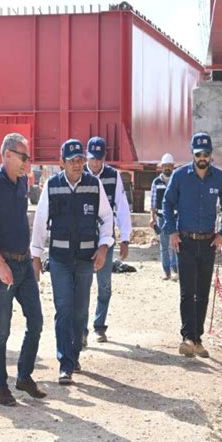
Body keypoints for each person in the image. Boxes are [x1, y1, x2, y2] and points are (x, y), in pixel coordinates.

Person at [31, 139, 114, 384]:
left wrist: (103, 247)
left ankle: (74, 355)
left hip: (86, 260)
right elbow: (40, 222)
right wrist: (36, 255)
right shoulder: (52, 186)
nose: (77, 165)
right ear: (62, 163)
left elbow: (108, 218)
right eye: (72, 161)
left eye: (80, 160)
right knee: (64, 309)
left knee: (79, 313)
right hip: (60, 260)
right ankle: (65, 363)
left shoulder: (94, 184)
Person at [0, 133, 46, 406]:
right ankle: (0, 386)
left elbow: (21, 222)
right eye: (23, 157)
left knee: (36, 321)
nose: (26, 163)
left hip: (23, 264)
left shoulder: (21, 183)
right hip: (4, 266)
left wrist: (33, 257)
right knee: (2, 329)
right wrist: (0, 263)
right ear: (7, 155)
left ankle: (24, 376)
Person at [163, 132, 222, 358]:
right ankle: (187, 337)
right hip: (186, 243)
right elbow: (168, 202)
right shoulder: (180, 176)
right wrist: (172, 231)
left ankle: (198, 338)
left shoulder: (219, 179)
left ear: (211, 155)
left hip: (209, 243)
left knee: (202, 293)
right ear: (193, 154)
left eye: (206, 154)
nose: (202, 157)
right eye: (198, 154)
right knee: (187, 292)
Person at [83, 136, 132, 344]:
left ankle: (99, 325)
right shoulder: (79, 172)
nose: (94, 164)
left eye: (98, 159)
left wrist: (125, 237)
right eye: (92, 159)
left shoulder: (113, 176)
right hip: (83, 236)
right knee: (82, 283)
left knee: (104, 284)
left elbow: (121, 206)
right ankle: (81, 328)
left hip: (105, 236)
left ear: (104, 158)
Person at [150, 153, 178, 281]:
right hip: (161, 218)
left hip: (176, 217)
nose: (167, 168)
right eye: (165, 165)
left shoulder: (177, 181)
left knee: (176, 244)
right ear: (161, 167)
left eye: (170, 166)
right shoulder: (156, 182)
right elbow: (153, 202)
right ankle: (167, 271)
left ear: (173, 167)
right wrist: (152, 218)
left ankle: (176, 269)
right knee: (164, 245)